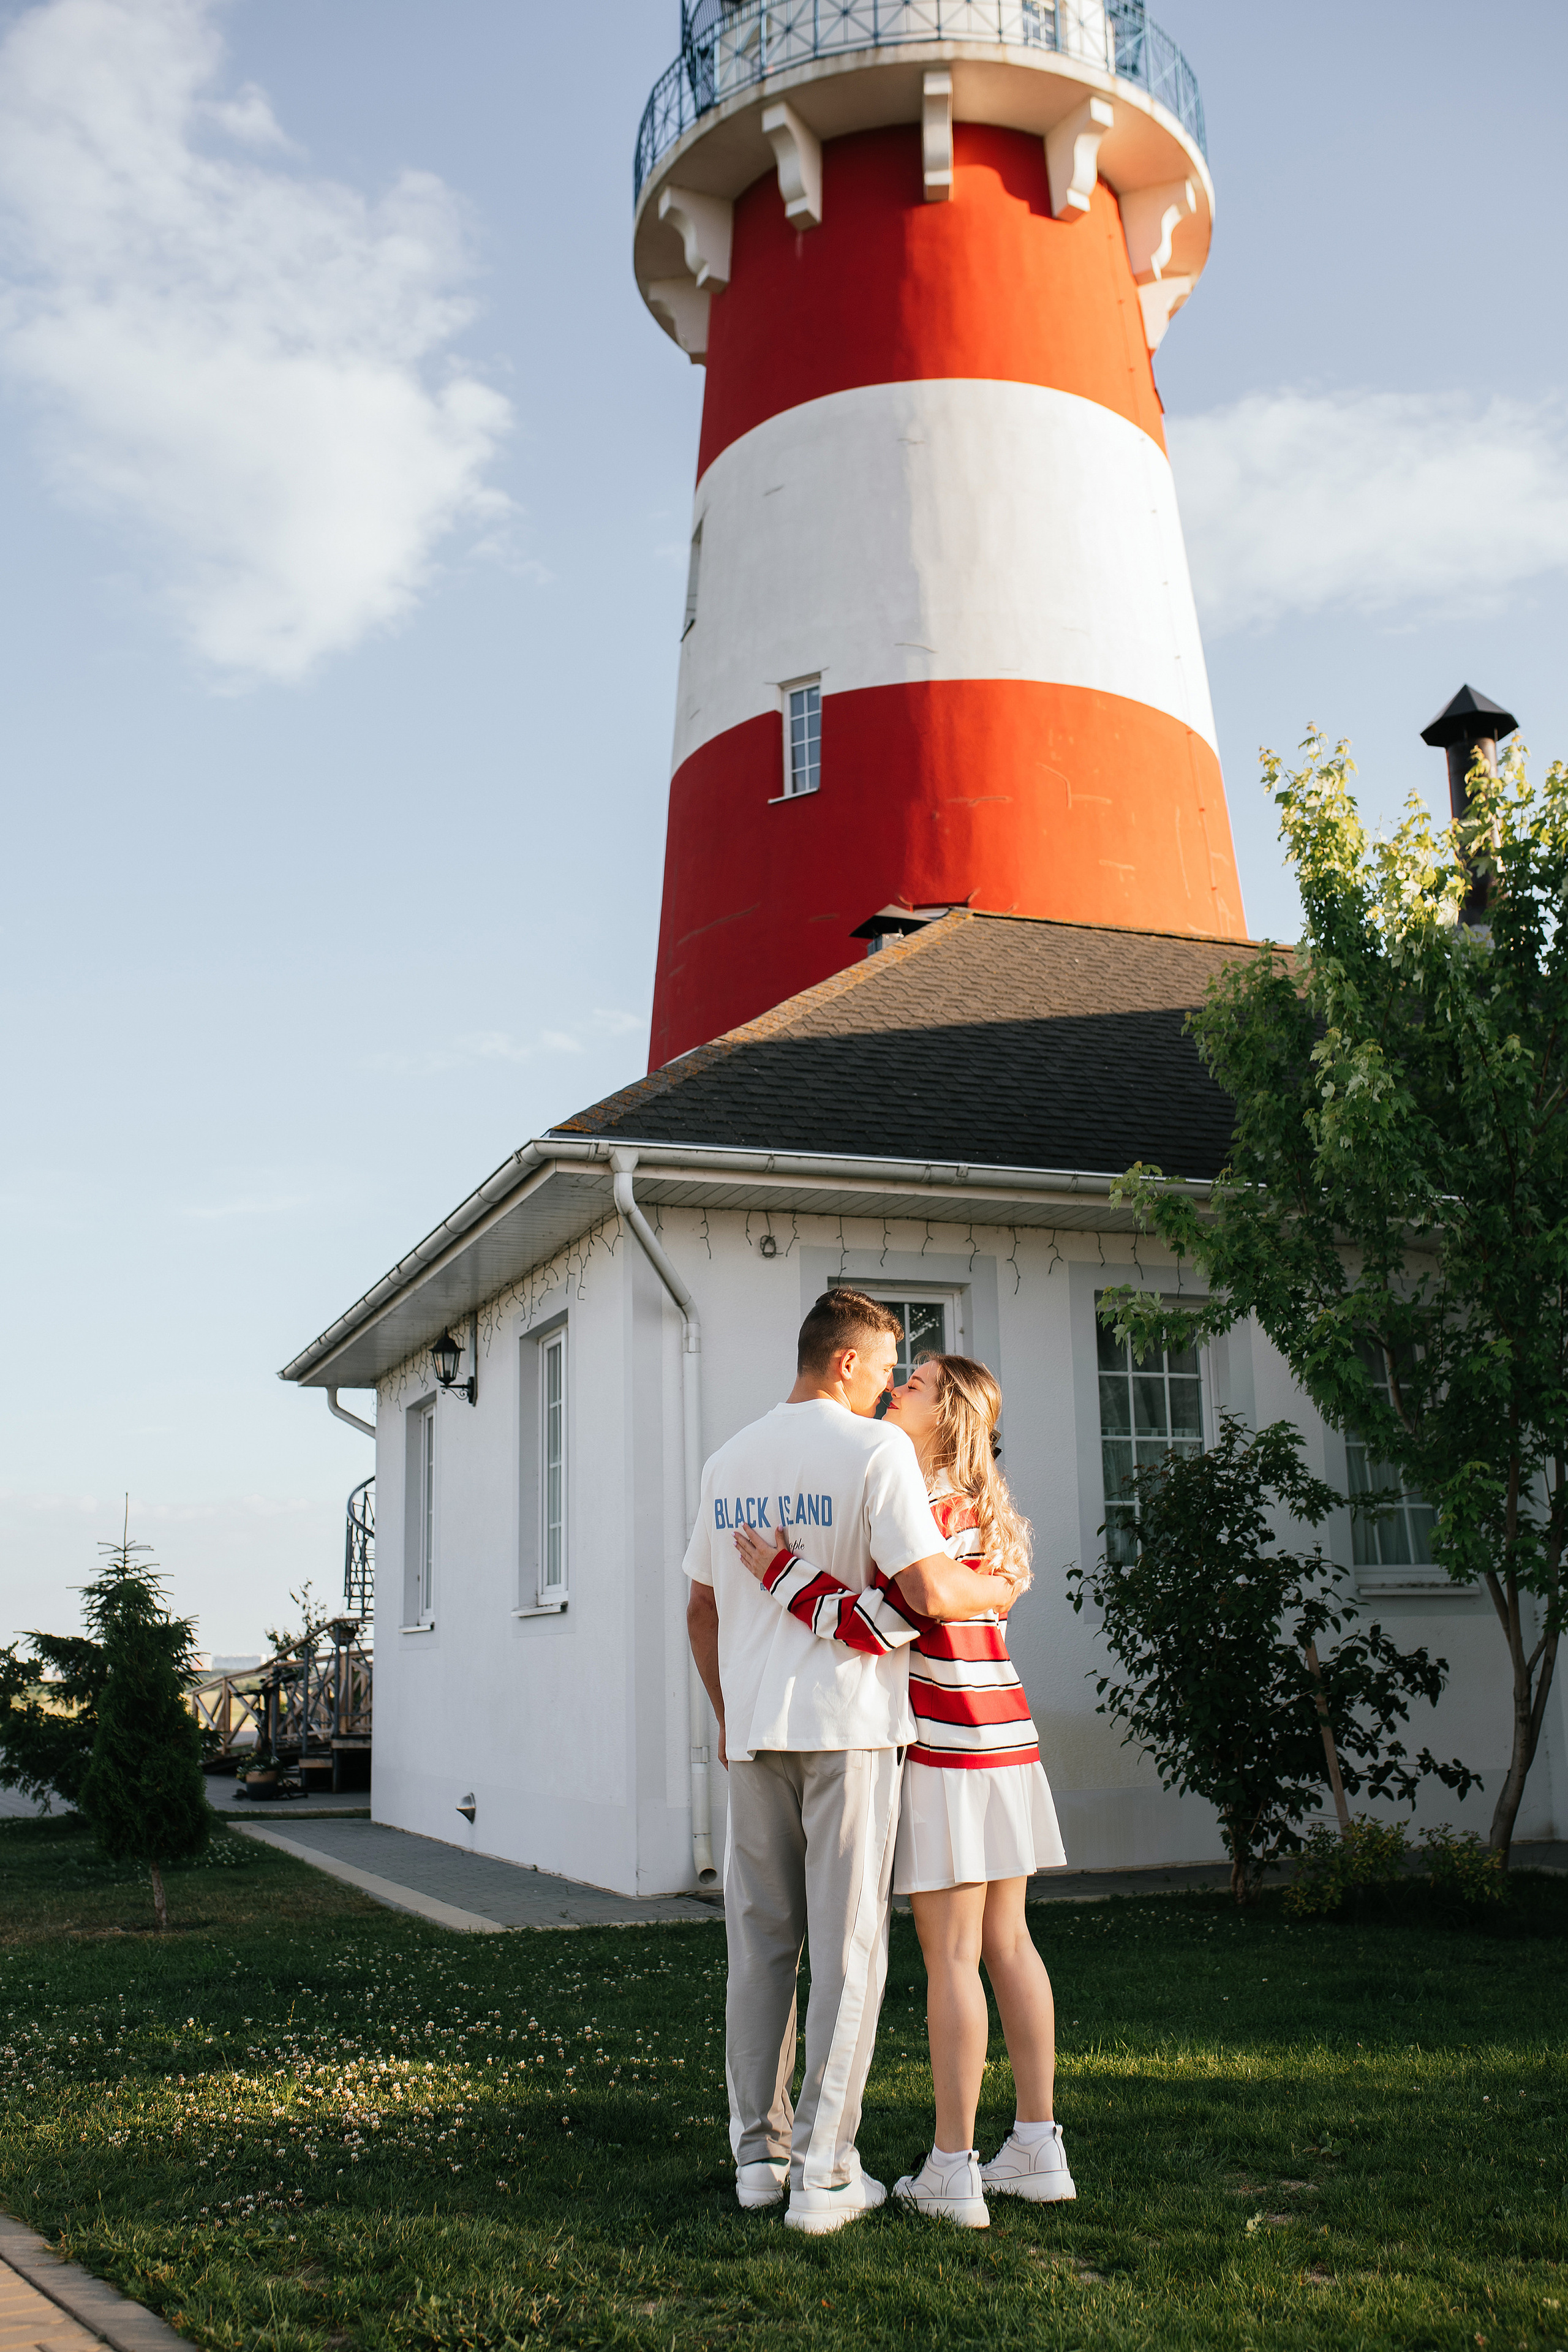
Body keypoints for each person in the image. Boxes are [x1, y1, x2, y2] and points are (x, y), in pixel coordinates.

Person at [684, 1289, 1010, 2234]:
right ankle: (825, 2173)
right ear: (844, 1363)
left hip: (754, 1733)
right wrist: (1000, 1579)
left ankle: (758, 2155)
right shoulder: (873, 1454)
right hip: (852, 1729)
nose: (884, 1388)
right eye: (882, 1369)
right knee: (848, 1951)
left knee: (761, 1946)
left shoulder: (726, 1459)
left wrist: (725, 1713)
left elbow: (701, 1609)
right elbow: (921, 1587)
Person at [734, 1352, 1073, 2229]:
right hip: (1009, 1741)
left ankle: (953, 2169)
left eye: (913, 1385)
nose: (894, 1390)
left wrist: (782, 1574)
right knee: (1011, 1945)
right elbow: (956, 1603)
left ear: (947, 1413)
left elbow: (882, 1624)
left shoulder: (914, 1505)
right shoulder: (988, 1512)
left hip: (953, 1749)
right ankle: (1038, 2146)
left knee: (953, 1960)